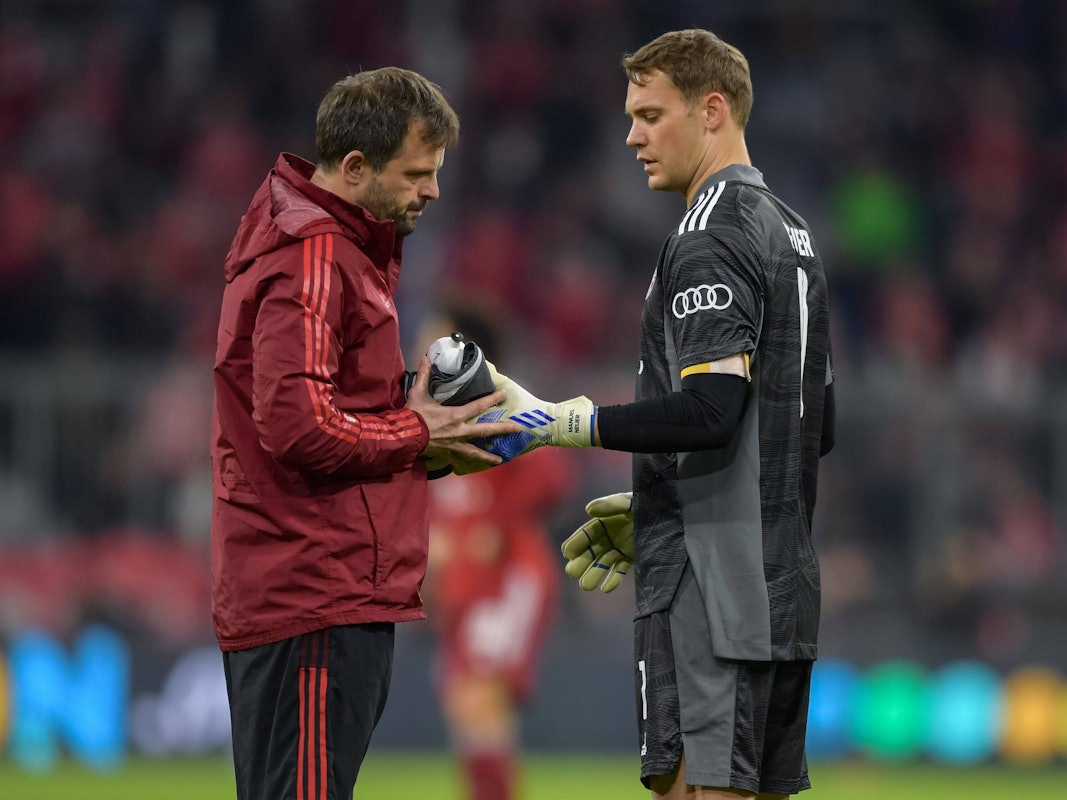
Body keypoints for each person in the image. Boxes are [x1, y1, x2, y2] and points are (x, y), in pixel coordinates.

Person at [468, 30, 836, 800]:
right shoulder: (790, 233)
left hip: (714, 590)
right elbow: (811, 426)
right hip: (779, 584)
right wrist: (659, 501)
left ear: (710, 111)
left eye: (648, 113)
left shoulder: (709, 236)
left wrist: (561, 423)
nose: (630, 135)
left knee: (695, 789)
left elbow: (710, 409)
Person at [210, 67, 522, 800]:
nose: (433, 190)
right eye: (418, 173)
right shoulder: (317, 257)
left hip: (306, 581)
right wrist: (417, 430)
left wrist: (423, 437)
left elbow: (324, 416)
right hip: (314, 585)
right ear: (355, 168)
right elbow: (296, 426)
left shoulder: (323, 250)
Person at [416, 303, 575, 800]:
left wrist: (489, 527)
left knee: (479, 701)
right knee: (468, 713)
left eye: (437, 343)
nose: (425, 355)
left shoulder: (495, 404)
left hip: (506, 577)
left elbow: (551, 480)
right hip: (464, 584)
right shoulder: (426, 414)